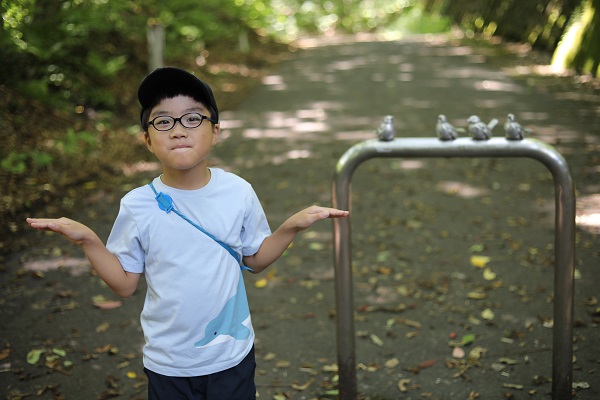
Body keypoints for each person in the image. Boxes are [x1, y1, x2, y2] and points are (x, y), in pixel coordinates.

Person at [26, 67, 349, 400]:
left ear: (215, 132)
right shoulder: (137, 205)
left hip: (231, 355)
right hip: (169, 364)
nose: (178, 130)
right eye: (163, 121)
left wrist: (290, 226)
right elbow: (124, 285)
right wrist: (88, 241)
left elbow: (254, 260)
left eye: (193, 118)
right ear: (148, 140)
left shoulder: (237, 191)